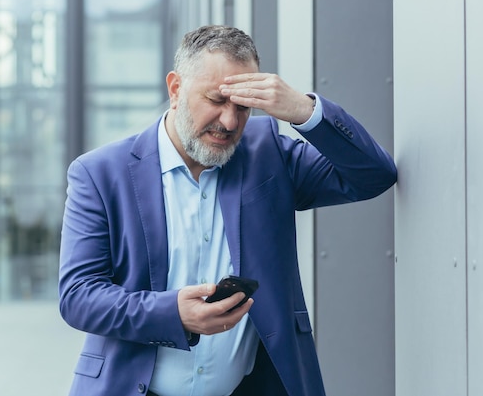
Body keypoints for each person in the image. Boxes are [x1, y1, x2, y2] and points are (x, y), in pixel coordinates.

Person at [59, 25, 397, 396]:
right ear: (175, 89)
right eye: (217, 100)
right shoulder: (99, 173)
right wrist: (173, 313)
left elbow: (372, 176)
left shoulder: (268, 154)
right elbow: (78, 296)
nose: (230, 122)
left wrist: (304, 110)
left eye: (242, 106)